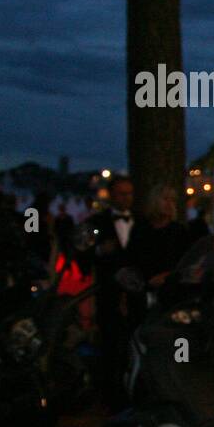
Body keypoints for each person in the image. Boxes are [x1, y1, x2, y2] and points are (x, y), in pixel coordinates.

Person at [87, 175, 140, 409]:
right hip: (108, 294)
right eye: (122, 193)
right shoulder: (97, 223)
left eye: (129, 193)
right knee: (110, 346)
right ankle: (110, 396)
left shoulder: (142, 222)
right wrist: (99, 250)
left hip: (137, 296)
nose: (126, 198)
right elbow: (84, 255)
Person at [130, 185, 191, 296]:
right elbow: (132, 259)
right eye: (165, 199)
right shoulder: (141, 229)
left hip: (172, 290)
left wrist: (166, 276)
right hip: (142, 290)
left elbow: (186, 263)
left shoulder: (179, 231)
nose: (169, 204)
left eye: (172, 200)